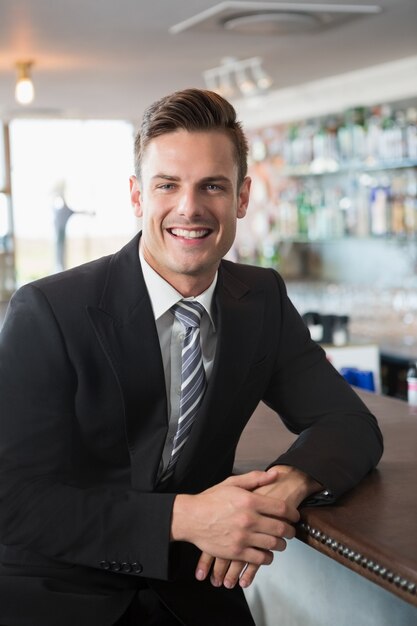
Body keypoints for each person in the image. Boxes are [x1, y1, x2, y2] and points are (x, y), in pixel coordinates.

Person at [0, 89, 383, 626]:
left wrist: (288, 483)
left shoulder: (261, 299)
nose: (190, 208)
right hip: (58, 591)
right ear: (137, 196)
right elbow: (14, 500)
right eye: (167, 185)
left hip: (195, 590)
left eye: (212, 186)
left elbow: (349, 423)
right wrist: (185, 516)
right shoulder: (48, 310)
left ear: (242, 198)